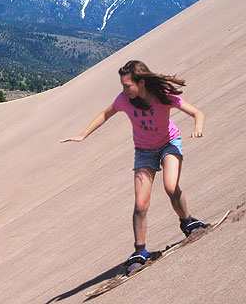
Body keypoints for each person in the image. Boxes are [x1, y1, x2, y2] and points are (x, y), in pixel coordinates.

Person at [60, 60, 208, 272]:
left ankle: (188, 222)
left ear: (141, 83)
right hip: (144, 151)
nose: (124, 90)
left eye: (127, 85)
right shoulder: (124, 100)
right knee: (140, 205)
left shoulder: (162, 96)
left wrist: (198, 128)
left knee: (171, 187)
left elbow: (197, 112)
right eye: (122, 86)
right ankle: (140, 251)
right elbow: (105, 114)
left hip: (169, 144)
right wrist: (83, 135)